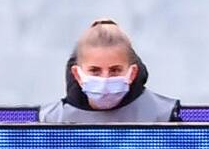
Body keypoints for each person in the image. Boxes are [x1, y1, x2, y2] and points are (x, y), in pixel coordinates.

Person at [38, 19, 180, 123]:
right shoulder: (50, 120)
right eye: (95, 71)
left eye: (115, 70)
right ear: (77, 74)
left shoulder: (164, 115)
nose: (105, 79)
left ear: (132, 73)